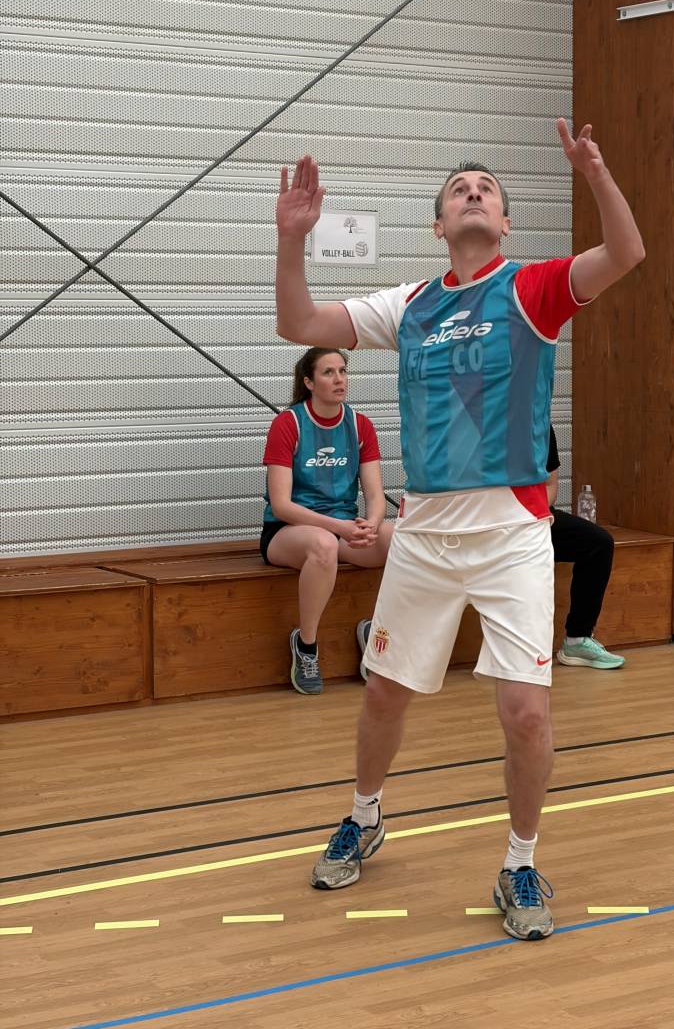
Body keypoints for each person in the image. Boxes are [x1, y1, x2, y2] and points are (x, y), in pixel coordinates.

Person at [274, 118, 644, 941]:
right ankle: (364, 816)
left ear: (504, 222)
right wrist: (292, 239)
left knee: (526, 713)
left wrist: (596, 172)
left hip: (512, 533)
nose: (473, 194)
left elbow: (626, 252)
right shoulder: (408, 305)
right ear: (439, 225)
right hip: (427, 533)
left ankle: (520, 863)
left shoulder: (533, 288)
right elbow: (298, 324)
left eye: (487, 190)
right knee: (385, 693)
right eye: (457, 191)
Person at [261, 347, 393, 695]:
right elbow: (282, 505)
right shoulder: (288, 423)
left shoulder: (360, 424)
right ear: (309, 382)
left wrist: (372, 524)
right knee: (322, 545)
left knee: (400, 538)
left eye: (343, 371)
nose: (339, 379)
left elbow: (375, 495)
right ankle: (306, 646)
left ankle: (377, 633)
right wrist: (339, 528)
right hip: (288, 532)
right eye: (328, 372)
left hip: (343, 528)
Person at [547, 427, 625, 670]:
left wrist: (534, 517)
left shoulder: (540, 424)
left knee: (598, 542)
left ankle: (577, 639)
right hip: (494, 520)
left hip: (535, 516)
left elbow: (550, 485)